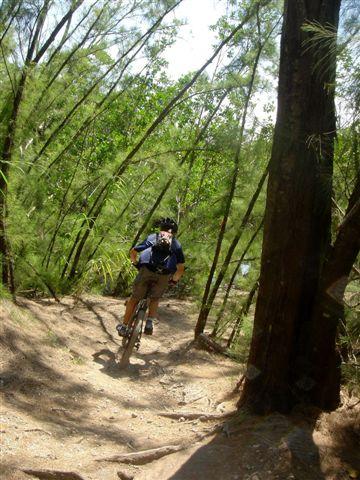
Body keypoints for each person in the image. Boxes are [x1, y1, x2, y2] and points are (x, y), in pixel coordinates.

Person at [116, 217, 185, 336]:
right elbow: (181, 268)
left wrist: (135, 263)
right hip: (164, 274)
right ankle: (149, 322)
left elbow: (134, 251)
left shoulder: (153, 237)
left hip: (147, 269)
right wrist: (174, 280)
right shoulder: (176, 244)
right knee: (155, 298)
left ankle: (124, 326)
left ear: (161, 228)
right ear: (174, 232)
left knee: (134, 299)